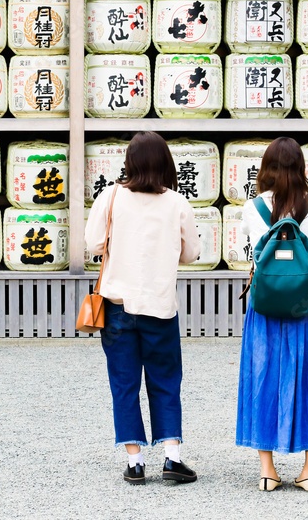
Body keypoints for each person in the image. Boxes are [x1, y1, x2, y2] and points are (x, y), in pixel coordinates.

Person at [85, 131, 202, 486]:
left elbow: (93, 244)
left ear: (129, 163)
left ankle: (135, 463)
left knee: (124, 383)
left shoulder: (111, 195)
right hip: (159, 306)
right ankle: (172, 458)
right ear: (166, 163)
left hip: (118, 306)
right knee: (165, 380)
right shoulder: (177, 203)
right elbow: (192, 254)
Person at [236, 137, 308, 493]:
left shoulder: (252, 207)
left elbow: (247, 245)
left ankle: (268, 470)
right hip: (307, 305)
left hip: (265, 306)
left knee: (262, 377)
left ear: (265, 169)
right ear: (301, 168)